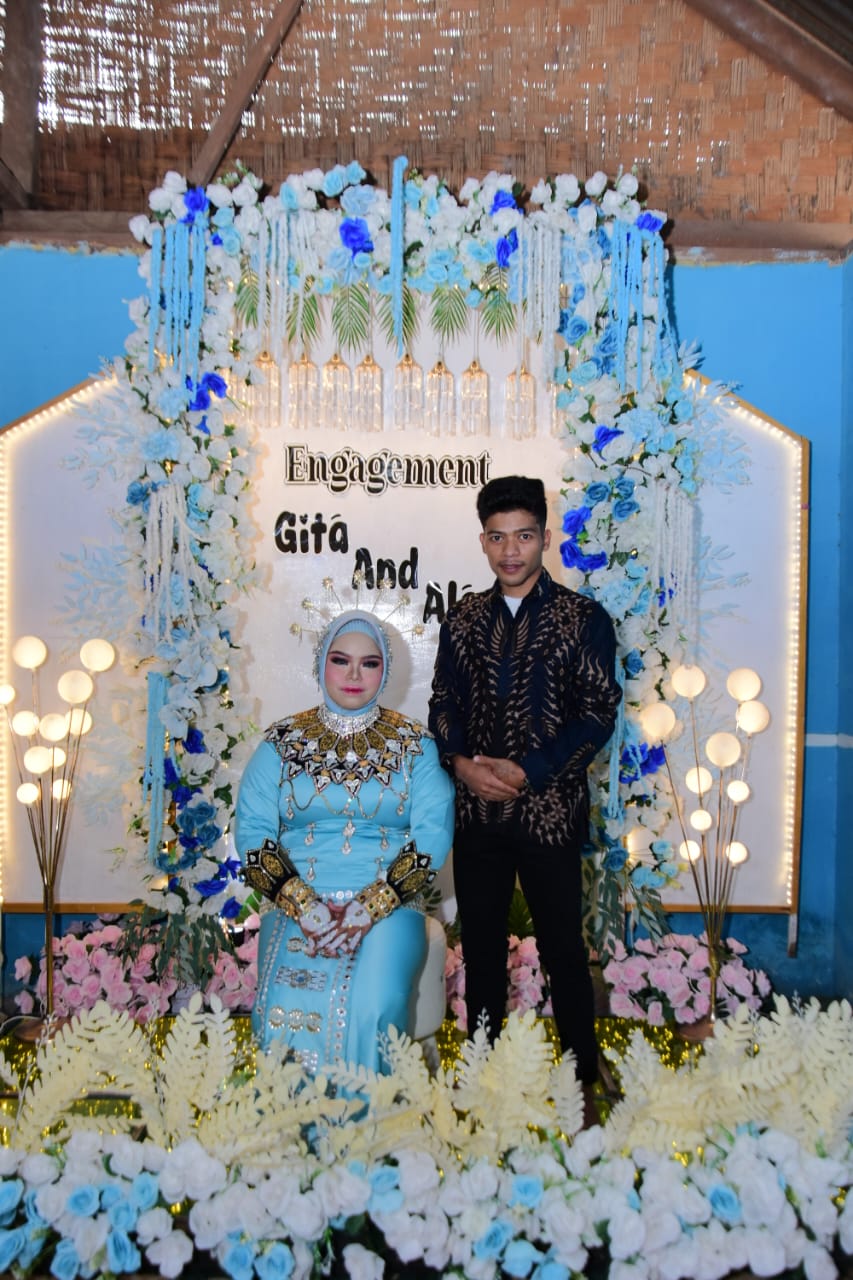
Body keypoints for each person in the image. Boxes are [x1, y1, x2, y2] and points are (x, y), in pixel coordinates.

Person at [428, 475, 621, 1105]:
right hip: (478, 815)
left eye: (524, 536)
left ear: (545, 537)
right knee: (481, 951)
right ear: (483, 541)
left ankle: (580, 1079)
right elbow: (442, 702)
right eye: (497, 537)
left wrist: (529, 771)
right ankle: (484, 1076)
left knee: (563, 950)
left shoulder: (582, 619)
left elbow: (597, 713)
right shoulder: (463, 618)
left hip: (550, 814)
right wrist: (462, 765)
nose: (510, 551)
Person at [236, 608, 455, 1073]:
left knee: (373, 1006)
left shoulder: (415, 745)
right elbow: (253, 833)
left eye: (369, 663)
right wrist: (307, 908)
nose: (354, 675)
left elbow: (432, 835)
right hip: (297, 902)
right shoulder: (281, 742)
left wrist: (368, 907)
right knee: (281, 1010)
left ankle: (372, 1120)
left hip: (390, 905)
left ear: (385, 670)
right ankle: (293, 1120)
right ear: (321, 664)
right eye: (341, 660)